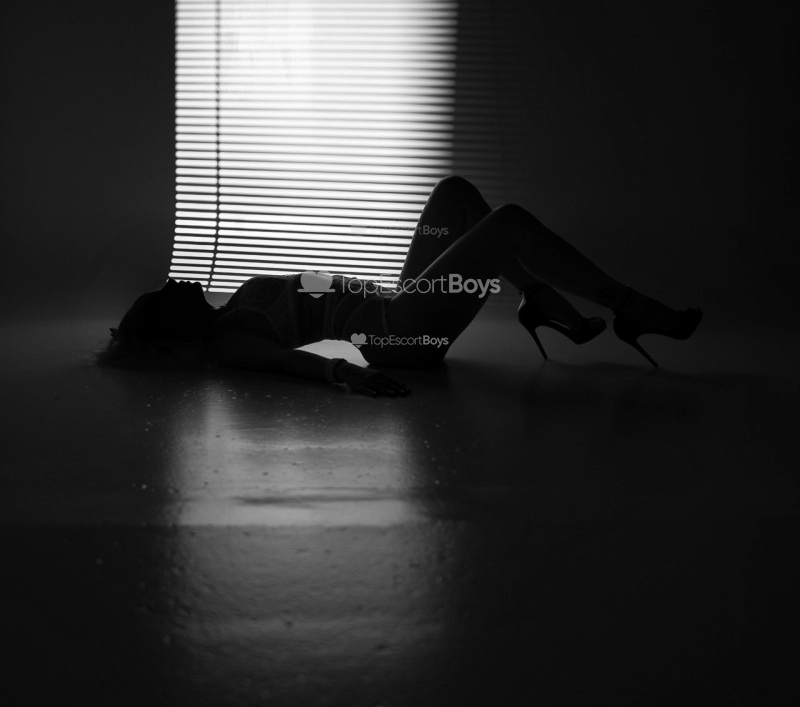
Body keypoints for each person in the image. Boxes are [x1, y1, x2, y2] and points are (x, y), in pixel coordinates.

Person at [98, 175, 701, 397]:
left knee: (455, 195)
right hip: (398, 337)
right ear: (171, 324)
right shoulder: (228, 340)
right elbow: (288, 364)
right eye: (167, 292)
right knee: (508, 222)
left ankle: (536, 299)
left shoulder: (232, 305)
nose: (174, 280)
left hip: (395, 306)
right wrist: (350, 375)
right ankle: (630, 308)